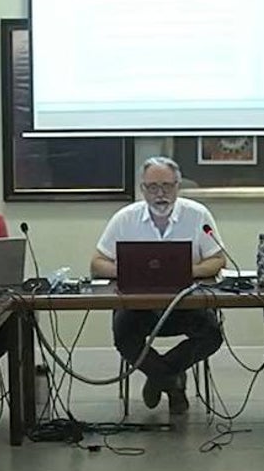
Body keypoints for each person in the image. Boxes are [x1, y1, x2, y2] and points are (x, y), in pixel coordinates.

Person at [90, 156, 223, 415]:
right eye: (152, 187)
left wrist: (185, 272)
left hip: (185, 303)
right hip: (139, 307)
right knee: (124, 333)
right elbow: (97, 262)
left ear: (178, 186)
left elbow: (217, 259)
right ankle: (172, 383)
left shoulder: (198, 215)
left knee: (212, 335)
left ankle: (158, 375)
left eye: (167, 186)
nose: (160, 194)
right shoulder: (125, 218)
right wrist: (131, 271)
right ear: (142, 189)